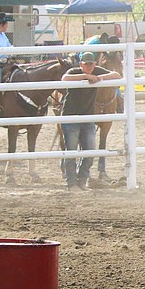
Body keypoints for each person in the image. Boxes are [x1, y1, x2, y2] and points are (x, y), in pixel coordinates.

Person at [60, 51, 119, 190]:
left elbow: (117, 75)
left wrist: (97, 77)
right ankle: (72, 183)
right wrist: (86, 76)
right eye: (86, 64)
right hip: (71, 116)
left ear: (95, 64)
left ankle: (81, 181)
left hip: (88, 117)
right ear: (81, 64)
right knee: (71, 152)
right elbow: (64, 78)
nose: (89, 66)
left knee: (90, 152)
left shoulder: (96, 70)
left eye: (91, 64)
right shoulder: (74, 71)